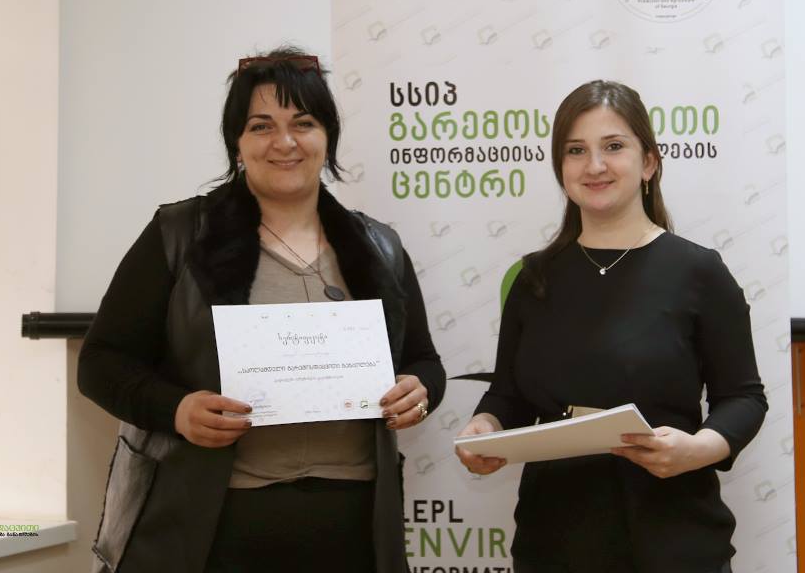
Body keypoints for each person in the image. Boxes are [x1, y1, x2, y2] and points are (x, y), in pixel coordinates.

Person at [79, 47, 445, 573]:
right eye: (261, 126)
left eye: (304, 123)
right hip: (211, 528)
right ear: (237, 142)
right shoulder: (179, 236)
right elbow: (101, 363)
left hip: (353, 527)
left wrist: (419, 390)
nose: (285, 142)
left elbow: (423, 361)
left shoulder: (379, 246)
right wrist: (176, 410)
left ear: (328, 136)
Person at [455, 80, 766, 573]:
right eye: (576, 150)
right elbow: (508, 394)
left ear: (649, 163)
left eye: (614, 146)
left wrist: (697, 449)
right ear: (560, 167)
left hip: (674, 537)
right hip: (553, 541)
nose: (594, 166)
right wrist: (486, 426)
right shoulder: (533, 278)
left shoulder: (699, 271)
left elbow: (744, 397)